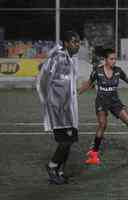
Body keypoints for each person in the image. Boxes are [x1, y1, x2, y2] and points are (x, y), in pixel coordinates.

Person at [78, 48, 128, 165]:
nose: (114, 61)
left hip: (115, 102)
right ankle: (94, 153)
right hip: (101, 102)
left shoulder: (118, 71)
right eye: (111, 59)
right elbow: (88, 84)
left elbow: (127, 80)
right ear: (105, 60)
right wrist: (76, 94)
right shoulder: (97, 72)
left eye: (115, 59)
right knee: (103, 124)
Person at [36, 31, 81, 184]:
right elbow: (42, 80)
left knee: (70, 140)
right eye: (74, 42)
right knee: (65, 141)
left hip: (69, 109)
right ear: (66, 43)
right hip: (58, 109)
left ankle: (60, 172)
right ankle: (52, 166)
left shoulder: (71, 59)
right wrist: (48, 102)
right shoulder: (58, 58)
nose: (77, 45)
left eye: (79, 42)